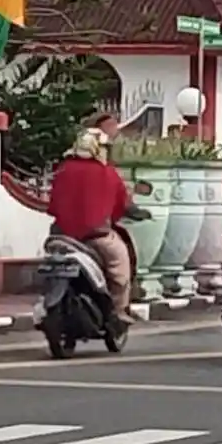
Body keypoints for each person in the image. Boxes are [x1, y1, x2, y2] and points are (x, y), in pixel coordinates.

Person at [47, 128, 136, 323]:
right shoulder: (108, 174)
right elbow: (120, 207)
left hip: (61, 237)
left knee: (48, 266)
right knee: (120, 269)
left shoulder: (62, 170)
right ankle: (119, 311)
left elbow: (52, 207)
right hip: (97, 238)